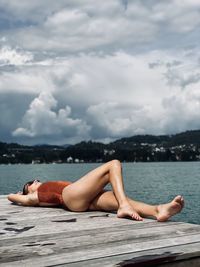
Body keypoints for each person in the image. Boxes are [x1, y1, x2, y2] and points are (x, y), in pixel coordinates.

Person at [7, 160, 184, 222]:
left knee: (118, 197)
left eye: (36, 180)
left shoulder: (39, 192)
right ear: (28, 190)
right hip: (69, 196)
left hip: (82, 200)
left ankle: (158, 210)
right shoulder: (34, 197)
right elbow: (11, 196)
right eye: (31, 182)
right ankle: (123, 206)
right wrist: (22, 193)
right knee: (113, 164)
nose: (36, 181)